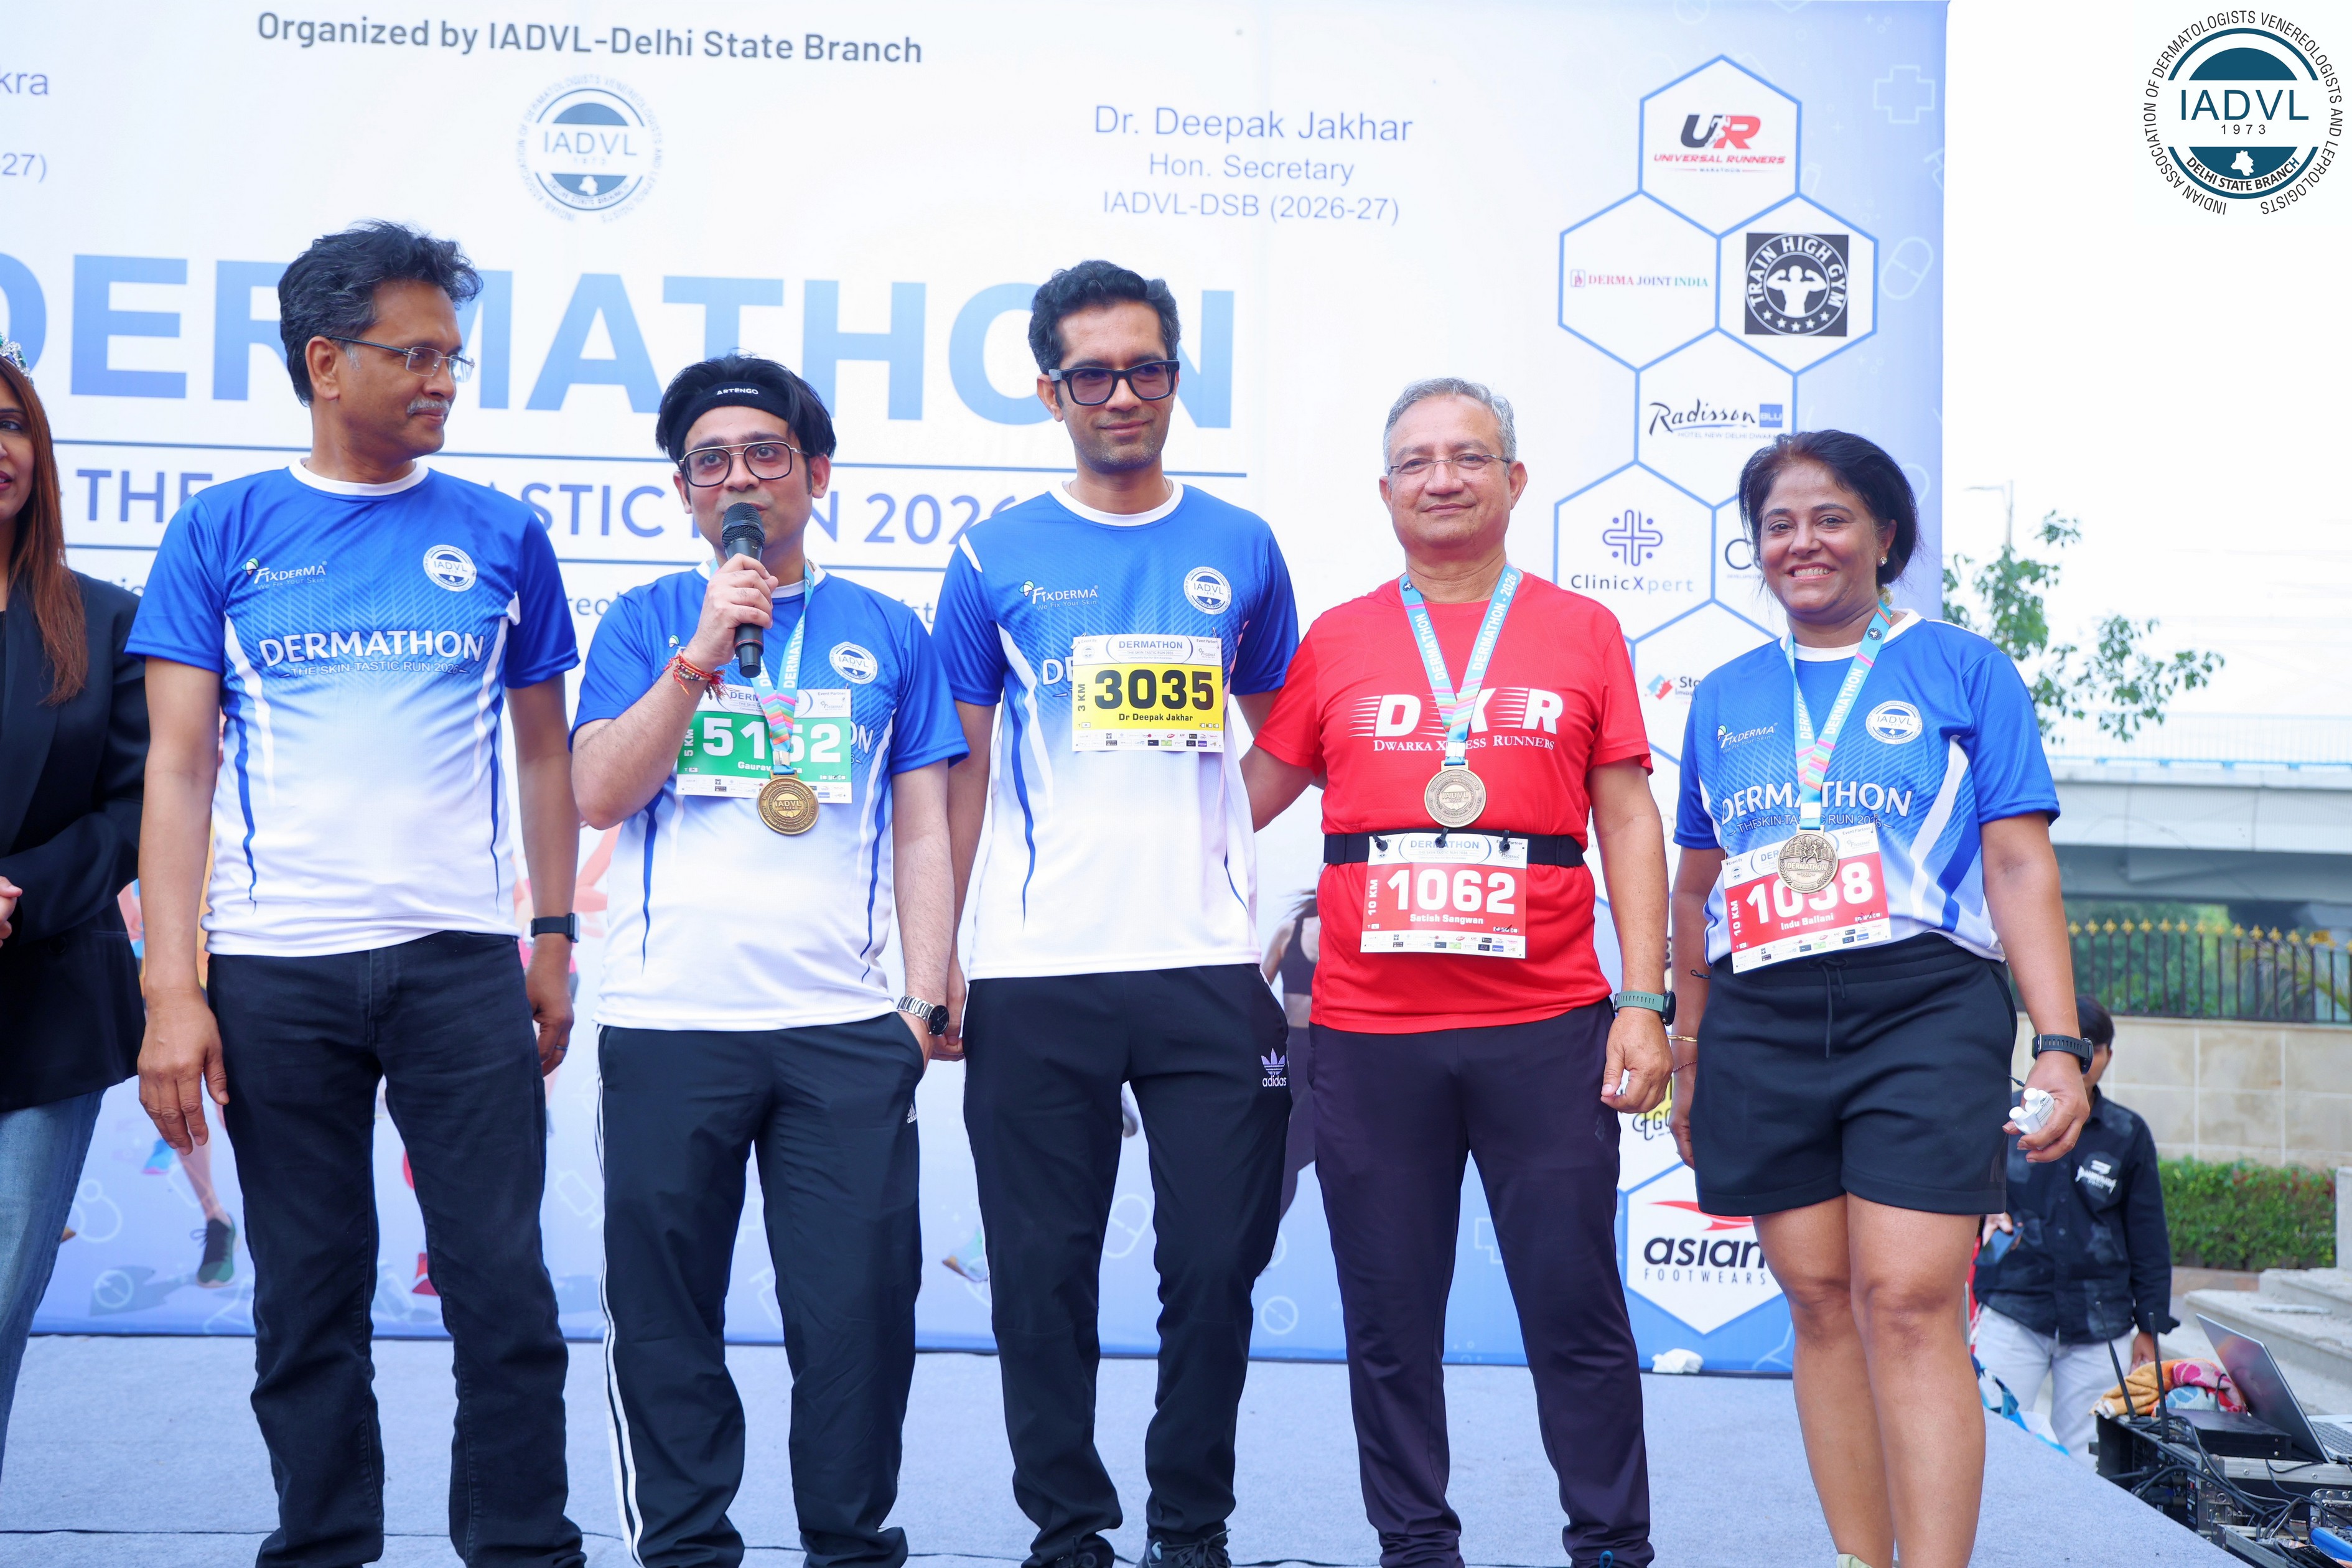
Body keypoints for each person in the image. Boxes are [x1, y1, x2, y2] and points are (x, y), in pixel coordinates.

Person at [129, 222, 587, 1568]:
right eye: (416, 354)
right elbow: (177, 771)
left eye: (454, 356)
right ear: (326, 362)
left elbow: (546, 756)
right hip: (276, 971)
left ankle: (522, 1548)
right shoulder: (221, 530)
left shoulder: (503, 534)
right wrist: (171, 990)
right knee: (308, 1295)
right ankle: (324, 1545)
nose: (444, 380)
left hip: (460, 966)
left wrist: (552, 935)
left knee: (503, 1290)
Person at [1241, 377, 1667, 1568]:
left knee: (1574, 1311)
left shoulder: (1583, 630)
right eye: (1418, 461)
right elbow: (1239, 807)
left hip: (1549, 1028)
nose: (1443, 478)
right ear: (1385, 492)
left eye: (1470, 457)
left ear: (1514, 481)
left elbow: (1628, 819)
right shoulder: (1338, 640)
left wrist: (1643, 1000)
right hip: (1369, 1037)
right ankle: (1416, 1548)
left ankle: (1612, 1547)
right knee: (1389, 1321)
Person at [1664, 429, 2093, 1568]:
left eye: (1832, 518)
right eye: (1779, 525)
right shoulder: (1725, 696)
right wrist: (1689, 1047)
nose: (1803, 543)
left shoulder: (1965, 670)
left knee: (1906, 1299)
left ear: (1886, 536)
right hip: (1762, 1010)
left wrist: (2058, 1043)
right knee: (1816, 1297)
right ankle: (1860, 1558)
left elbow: (2017, 864)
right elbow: (1697, 885)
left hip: (1923, 1005)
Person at [572, 354, 967, 1568]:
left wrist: (924, 999)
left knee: (857, 1320)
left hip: (844, 1034)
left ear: (817, 473)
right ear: (684, 490)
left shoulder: (887, 631)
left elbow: (923, 828)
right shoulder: (644, 619)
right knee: (665, 1320)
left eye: (764, 454)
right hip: (670, 1028)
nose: (738, 479)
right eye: (711, 462)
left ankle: (849, 1545)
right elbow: (597, 793)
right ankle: (688, 1549)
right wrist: (698, 655)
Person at [933, 259, 1299, 1568]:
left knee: (1212, 1267)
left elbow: (1289, 737)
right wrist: (942, 956)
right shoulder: (992, 556)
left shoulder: (1240, 545)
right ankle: (1069, 1531)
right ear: (1051, 394)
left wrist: (1211, 835)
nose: (1123, 395)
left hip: (1205, 969)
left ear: (1176, 378)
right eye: (1092, 375)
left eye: (1146, 369)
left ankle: (1189, 1527)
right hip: (1038, 972)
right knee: (1040, 1274)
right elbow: (960, 772)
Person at [0, 341, 147, 1480]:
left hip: (45, 1010)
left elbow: (141, 808)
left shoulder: (103, 622)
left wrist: (22, 892)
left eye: (11, 425)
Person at [1971, 994, 2174, 1459]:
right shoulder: (2006, 1120)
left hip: (2099, 1322)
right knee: (1990, 1441)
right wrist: (1984, 1214)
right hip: (2013, 1308)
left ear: (2107, 1055)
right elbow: (1959, 1194)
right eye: (2071, 1048)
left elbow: (2148, 1236)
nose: (2080, 1062)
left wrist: (2150, 1328)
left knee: (2087, 1457)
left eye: (2091, 1050)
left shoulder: (2127, 1133)